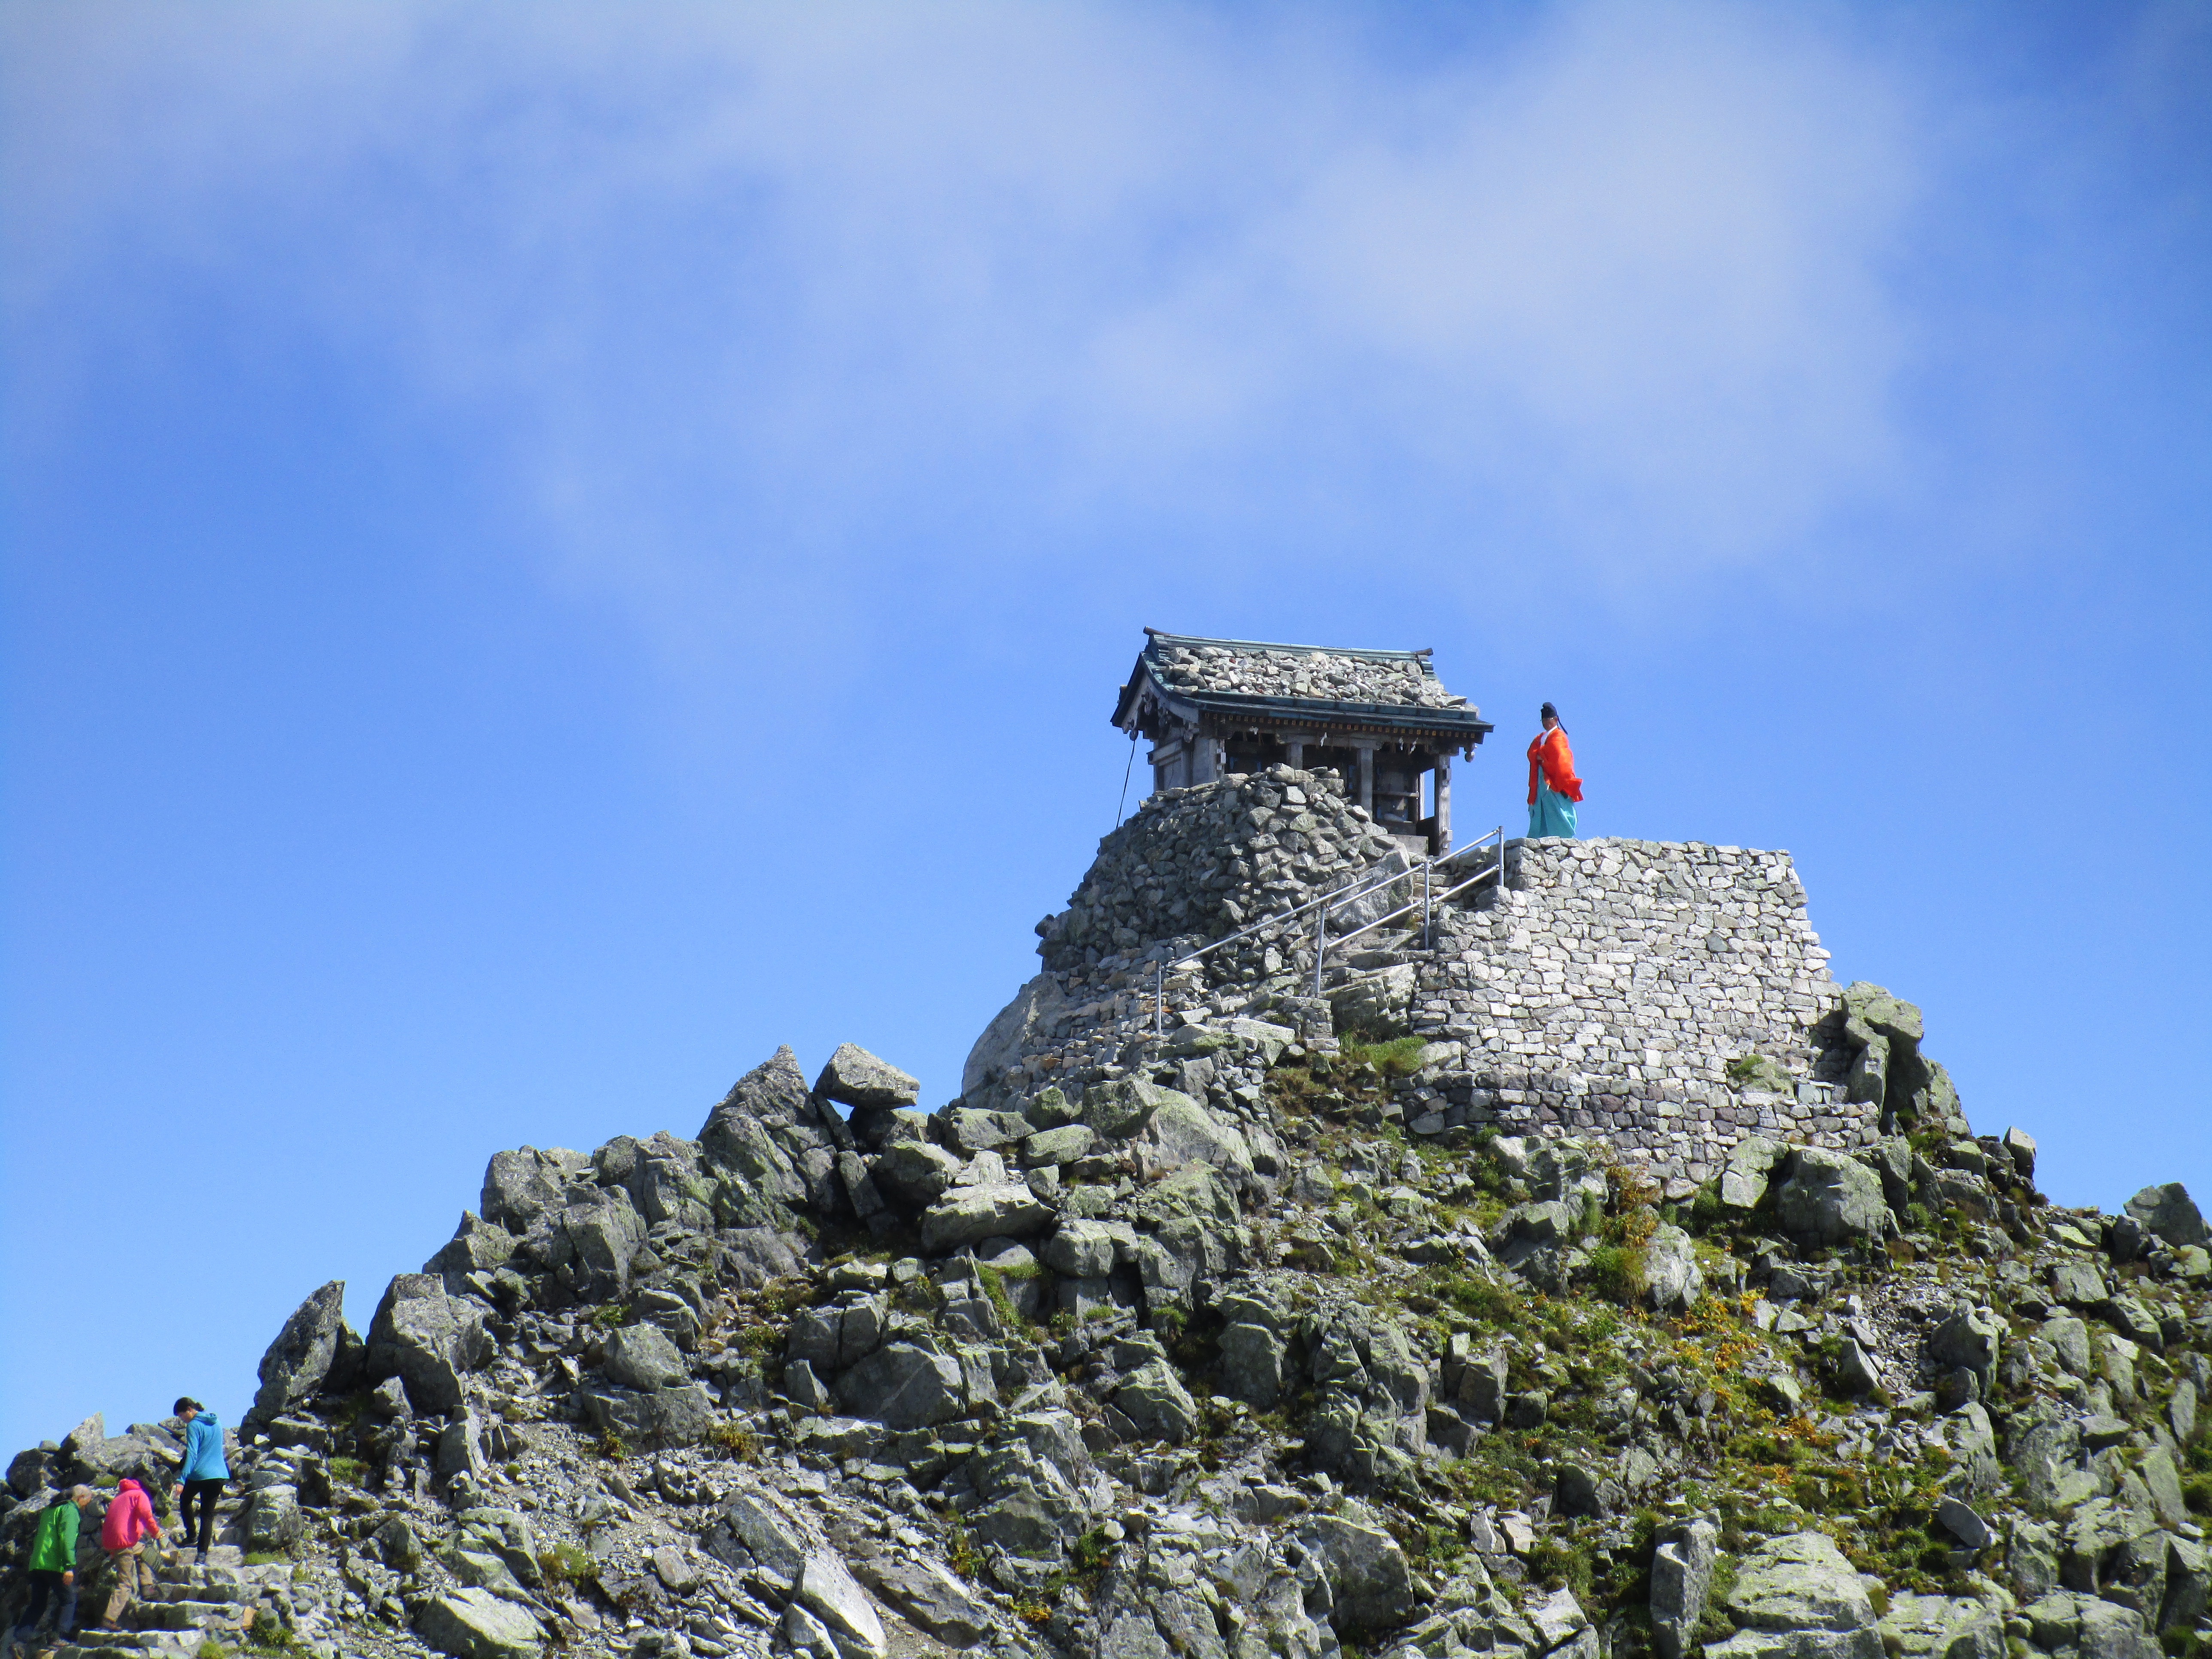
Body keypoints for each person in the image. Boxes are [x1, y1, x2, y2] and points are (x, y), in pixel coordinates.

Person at [9, 1485, 94, 1650]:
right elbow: (67, 1539)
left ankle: (20, 1639)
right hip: (54, 1564)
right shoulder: (70, 1510)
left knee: (38, 1603)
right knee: (69, 1600)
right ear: (81, 1497)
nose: (85, 1506)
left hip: (37, 1563)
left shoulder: (50, 1509)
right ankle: (59, 1637)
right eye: (86, 1502)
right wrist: (69, 1567)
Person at [95, 1477, 164, 1630]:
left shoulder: (118, 1498)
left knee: (145, 1552)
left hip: (115, 1542)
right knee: (125, 1582)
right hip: (125, 1542)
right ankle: (109, 1618)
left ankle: (147, 1587)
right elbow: (147, 1515)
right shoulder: (139, 1495)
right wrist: (157, 1533)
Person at [169, 1398, 229, 1565]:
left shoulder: (194, 1425)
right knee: (207, 1516)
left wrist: (181, 1479)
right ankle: (202, 1555)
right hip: (219, 1475)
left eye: (182, 1416)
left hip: (200, 1474)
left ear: (189, 1410)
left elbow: (193, 1454)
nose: (183, 1420)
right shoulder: (216, 1422)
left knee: (185, 1500)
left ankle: (191, 1536)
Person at [1525, 702, 1583, 839]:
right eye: (1543, 720)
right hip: (1541, 778)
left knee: (1558, 808)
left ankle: (1562, 835)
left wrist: (1542, 754)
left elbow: (1559, 756)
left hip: (1554, 779)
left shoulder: (1559, 736)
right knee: (1541, 807)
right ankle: (1539, 835)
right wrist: (1541, 754)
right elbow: (1531, 753)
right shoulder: (1540, 737)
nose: (1545, 723)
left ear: (1556, 720)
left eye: (1548, 719)